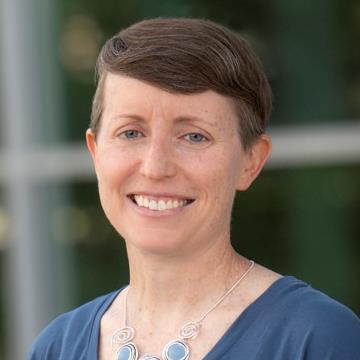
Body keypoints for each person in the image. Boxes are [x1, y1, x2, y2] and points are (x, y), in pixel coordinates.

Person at [27, 18, 360, 360]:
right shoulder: (57, 347)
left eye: (194, 136)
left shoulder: (316, 337)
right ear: (96, 153)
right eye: (130, 133)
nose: (155, 168)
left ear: (250, 161)